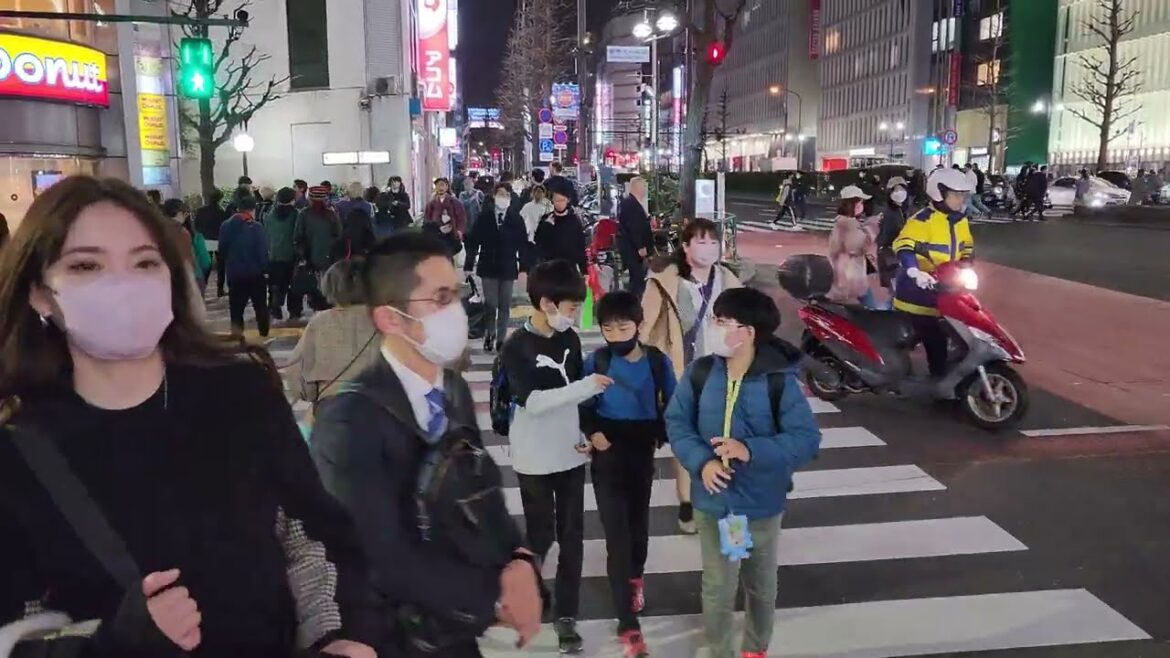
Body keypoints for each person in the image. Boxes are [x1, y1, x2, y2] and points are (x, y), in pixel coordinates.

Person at [0, 175, 378, 658]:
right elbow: (16, 631)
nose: (122, 285)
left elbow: (312, 535)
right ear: (39, 294)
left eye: (144, 263)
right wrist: (115, 643)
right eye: (86, 265)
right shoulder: (19, 448)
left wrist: (344, 636)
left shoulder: (240, 393)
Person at [311, 232, 543, 657]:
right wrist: (494, 597)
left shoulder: (450, 388)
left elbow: (479, 490)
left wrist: (519, 559)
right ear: (390, 319)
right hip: (389, 639)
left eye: (455, 294)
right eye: (439, 299)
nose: (455, 310)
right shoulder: (349, 421)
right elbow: (383, 557)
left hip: (451, 632)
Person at [664, 287, 822, 658]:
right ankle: (720, 651)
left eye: (722, 322)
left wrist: (750, 450)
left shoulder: (778, 381)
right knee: (718, 587)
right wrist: (701, 463)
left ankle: (755, 648)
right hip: (714, 503)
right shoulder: (701, 372)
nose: (713, 328)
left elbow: (806, 439)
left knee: (760, 585)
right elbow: (677, 423)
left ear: (748, 332)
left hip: (762, 504)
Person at [499, 259, 610, 654]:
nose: (574, 315)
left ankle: (566, 617)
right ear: (546, 303)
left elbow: (574, 400)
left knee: (573, 538)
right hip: (533, 455)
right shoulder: (516, 346)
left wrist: (585, 431)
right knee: (541, 537)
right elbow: (533, 401)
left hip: (568, 452)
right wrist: (586, 387)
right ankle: (527, 599)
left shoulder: (570, 340)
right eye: (569, 307)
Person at [579, 291, 676, 658]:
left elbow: (673, 401)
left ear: (638, 325)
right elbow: (582, 403)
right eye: (608, 328)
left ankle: (635, 578)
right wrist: (593, 432)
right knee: (616, 536)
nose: (617, 335)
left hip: (642, 452)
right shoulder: (597, 360)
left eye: (624, 326)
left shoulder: (656, 362)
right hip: (608, 453)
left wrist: (667, 435)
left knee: (638, 531)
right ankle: (627, 623)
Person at [641, 217, 742, 534]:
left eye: (713, 242)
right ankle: (687, 501)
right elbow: (645, 329)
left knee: (723, 437)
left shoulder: (728, 281)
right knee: (688, 438)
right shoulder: (664, 283)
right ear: (684, 247)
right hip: (681, 373)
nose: (708, 248)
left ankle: (719, 498)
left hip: (723, 373)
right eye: (700, 241)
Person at [892, 167, 976, 377]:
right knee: (935, 340)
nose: (960, 200)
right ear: (939, 193)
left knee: (962, 334)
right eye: (955, 195)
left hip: (948, 292)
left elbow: (967, 245)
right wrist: (914, 272)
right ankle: (938, 381)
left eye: (962, 195)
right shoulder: (922, 221)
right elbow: (903, 246)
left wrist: (966, 261)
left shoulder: (960, 220)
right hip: (917, 294)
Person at [283, 258, 381, 413]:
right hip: (379, 405)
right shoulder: (385, 319)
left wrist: (310, 395)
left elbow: (297, 368)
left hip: (332, 407)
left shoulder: (321, 321)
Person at [463, 183, 530, 352]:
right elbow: (473, 241)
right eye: (500, 194)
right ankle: (490, 333)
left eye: (506, 195)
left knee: (505, 304)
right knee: (490, 303)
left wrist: (524, 267)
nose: (503, 198)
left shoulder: (515, 219)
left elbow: (523, 245)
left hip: (507, 266)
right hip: (488, 265)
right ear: (493, 196)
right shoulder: (484, 217)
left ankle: (501, 339)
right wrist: (468, 264)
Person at [218, 195, 270, 338]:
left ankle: (237, 335)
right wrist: (265, 269)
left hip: (235, 274)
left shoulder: (225, 225)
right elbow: (262, 251)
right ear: (254, 209)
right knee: (260, 306)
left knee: (236, 309)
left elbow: (222, 250)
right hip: (255, 274)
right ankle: (264, 333)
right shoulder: (256, 227)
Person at [292, 185, 342, 316]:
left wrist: (301, 255)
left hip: (310, 257)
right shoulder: (331, 214)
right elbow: (339, 235)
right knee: (327, 285)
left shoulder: (304, 214)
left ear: (310, 198)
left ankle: (316, 307)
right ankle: (327, 307)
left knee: (313, 285)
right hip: (329, 258)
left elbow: (298, 236)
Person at [828, 185, 879, 308]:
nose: (862, 205)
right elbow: (857, 247)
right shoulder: (849, 224)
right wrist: (872, 227)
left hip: (844, 273)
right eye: (860, 202)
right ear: (853, 204)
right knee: (872, 309)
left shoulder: (842, 221)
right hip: (851, 276)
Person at [264, 186, 300, 320]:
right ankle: (294, 310)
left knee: (276, 283)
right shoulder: (296, 214)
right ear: (292, 199)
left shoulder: (270, 214)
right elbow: (298, 234)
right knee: (294, 285)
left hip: (273, 255)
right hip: (291, 256)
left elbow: (266, 233)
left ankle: (274, 305)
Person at [534, 189, 588, 274]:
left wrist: (584, 270)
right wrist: (547, 226)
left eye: (562, 200)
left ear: (568, 200)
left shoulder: (573, 220)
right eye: (557, 200)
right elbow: (538, 242)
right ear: (553, 201)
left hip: (569, 268)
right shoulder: (546, 219)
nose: (560, 203)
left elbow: (580, 246)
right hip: (550, 267)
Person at [618, 177, 653, 298]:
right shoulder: (632, 205)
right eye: (643, 187)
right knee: (637, 280)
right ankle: (634, 304)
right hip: (633, 250)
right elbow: (634, 227)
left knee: (637, 279)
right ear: (637, 188)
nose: (644, 190)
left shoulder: (631, 203)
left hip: (632, 249)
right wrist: (641, 246)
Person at [877, 183, 910, 309]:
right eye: (896, 190)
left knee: (896, 295)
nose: (900, 192)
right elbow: (888, 236)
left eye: (902, 189)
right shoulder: (891, 213)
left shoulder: (900, 210)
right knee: (897, 295)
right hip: (891, 257)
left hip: (893, 256)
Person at [194, 189, 229, 296]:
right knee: (221, 267)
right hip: (218, 240)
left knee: (205, 265)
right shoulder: (221, 212)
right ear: (220, 199)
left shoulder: (201, 211)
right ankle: (220, 289)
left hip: (204, 240)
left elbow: (196, 225)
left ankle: (202, 288)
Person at [423, 177, 468, 257]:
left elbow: (461, 218)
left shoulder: (454, 202)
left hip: (451, 233)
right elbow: (427, 219)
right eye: (438, 185)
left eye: (442, 185)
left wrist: (459, 231)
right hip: (437, 234)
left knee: (449, 255)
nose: (440, 188)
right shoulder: (431, 204)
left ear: (447, 187)